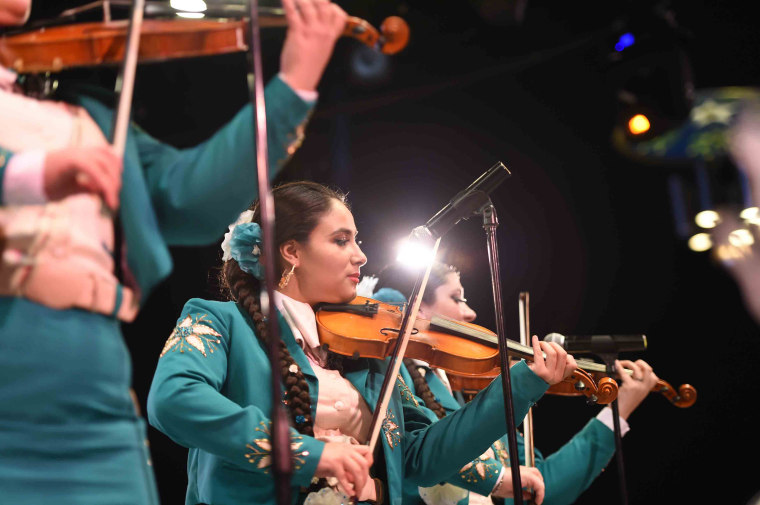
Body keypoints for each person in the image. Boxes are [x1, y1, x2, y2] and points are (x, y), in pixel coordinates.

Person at [0, 0, 347, 503]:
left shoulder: (84, 113)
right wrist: (31, 175)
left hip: (90, 382)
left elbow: (190, 200)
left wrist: (293, 83)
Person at [147, 181, 578, 505]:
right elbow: (173, 400)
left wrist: (520, 385)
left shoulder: (364, 353)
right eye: (341, 240)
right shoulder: (218, 321)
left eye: (357, 239)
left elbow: (422, 456)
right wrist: (310, 454)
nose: (361, 256)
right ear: (291, 251)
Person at [370, 261, 660, 505]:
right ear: (416, 308)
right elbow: (419, 454)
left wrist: (618, 411)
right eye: (456, 297)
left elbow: (546, 485)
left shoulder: (468, 393)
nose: (470, 312)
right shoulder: (393, 372)